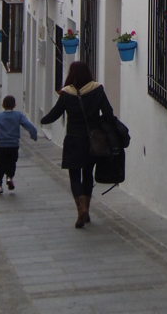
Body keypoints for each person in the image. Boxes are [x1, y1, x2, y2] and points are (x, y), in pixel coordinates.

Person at [40, 60, 116, 228]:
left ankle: (81, 209)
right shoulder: (97, 89)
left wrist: (42, 120)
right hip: (92, 140)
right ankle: (86, 209)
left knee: (74, 176)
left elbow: (54, 114)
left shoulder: (67, 93)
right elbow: (109, 114)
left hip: (74, 139)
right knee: (87, 174)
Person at [0, 95, 37, 194]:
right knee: (11, 162)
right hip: (14, 146)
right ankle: (9, 177)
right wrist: (33, 135)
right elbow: (29, 125)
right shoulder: (18, 115)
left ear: (2, 105)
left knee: (0, 164)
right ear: (14, 105)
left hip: (2, 146)